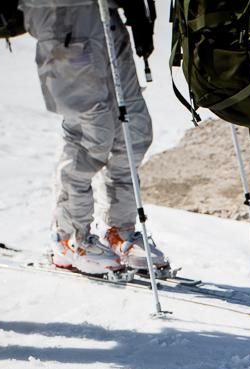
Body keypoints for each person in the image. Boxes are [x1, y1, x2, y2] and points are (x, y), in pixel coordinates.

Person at [20, 0, 171, 276]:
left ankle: (118, 230)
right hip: (65, 16)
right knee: (90, 135)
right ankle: (68, 237)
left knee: (133, 129)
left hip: (107, 15)